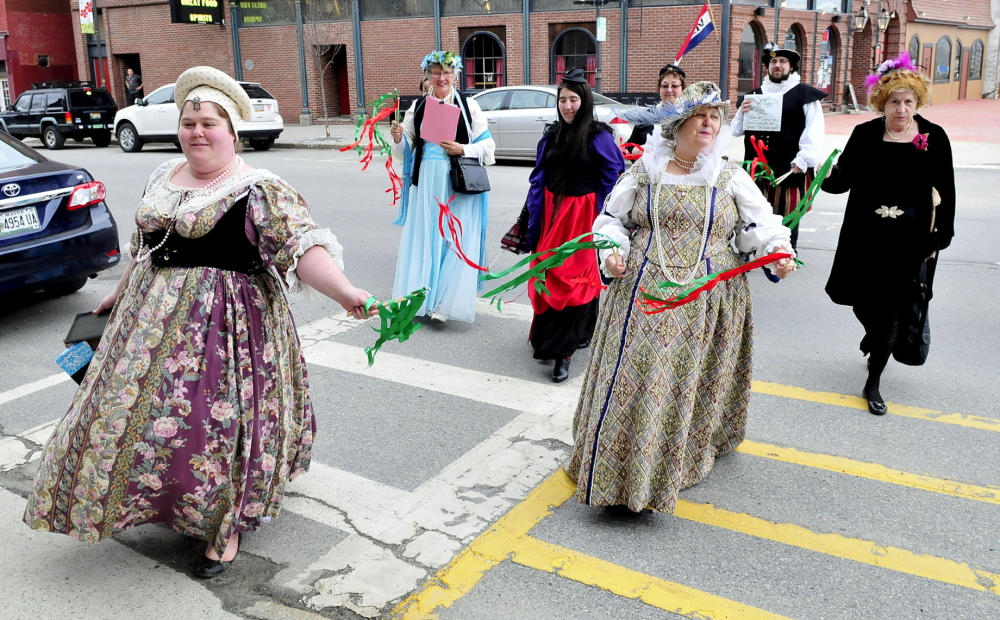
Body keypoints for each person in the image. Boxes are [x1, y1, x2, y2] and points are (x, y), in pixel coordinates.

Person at [23, 66, 375, 579]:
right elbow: (146, 248)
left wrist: (345, 293)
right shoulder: (160, 176)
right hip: (146, 321)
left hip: (229, 326)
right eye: (189, 122)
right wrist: (117, 295)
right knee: (132, 413)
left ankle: (222, 526)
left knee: (217, 424)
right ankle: (153, 496)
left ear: (232, 131)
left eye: (209, 123)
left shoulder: (259, 188)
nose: (197, 132)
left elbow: (302, 247)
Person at [566, 82, 796, 513]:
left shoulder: (729, 176)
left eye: (716, 117)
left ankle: (668, 465)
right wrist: (612, 251)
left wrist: (778, 253)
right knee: (636, 378)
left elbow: (761, 226)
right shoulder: (645, 171)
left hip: (707, 296)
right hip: (642, 291)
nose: (710, 123)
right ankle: (616, 469)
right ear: (679, 123)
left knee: (682, 382)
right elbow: (611, 220)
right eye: (701, 115)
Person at [822, 53, 955, 416]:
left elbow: (947, 189)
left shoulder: (933, 137)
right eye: (894, 101)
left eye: (908, 101)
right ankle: (873, 333)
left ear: (918, 102)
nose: (901, 109)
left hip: (910, 240)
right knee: (857, 299)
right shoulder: (864, 134)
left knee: (892, 310)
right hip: (864, 236)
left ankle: (873, 380)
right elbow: (841, 182)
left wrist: (942, 235)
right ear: (882, 101)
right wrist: (822, 176)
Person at [524, 67, 625, 383]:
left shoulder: (599, 136)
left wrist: (607, 223)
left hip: (583, 220)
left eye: (573, 100)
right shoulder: (551, 133)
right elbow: (539, 177)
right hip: (553, 218)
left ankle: (563, 354)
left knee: (576, 281)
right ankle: (560, 336)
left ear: (584, 101)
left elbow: (614, 180)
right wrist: (530, 215)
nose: (568, 106)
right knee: (548, 274)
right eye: (563, 100)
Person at [389, 51, 496, 323]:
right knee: (428, 238)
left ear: (455, 76)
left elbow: (489, 147)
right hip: (427, 183)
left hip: (457, 183)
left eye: (447, 72)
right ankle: (422, 298)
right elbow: (405, 151)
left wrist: (463, 148)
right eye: (436, 72)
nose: (442, 77)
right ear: (428, 78)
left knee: (453, 238)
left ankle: (445, 304)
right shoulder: (420, 107)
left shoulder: (469, 107)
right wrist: (399, 137)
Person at [730, 44, 826, 250]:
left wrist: (804, 159)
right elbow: (736, 131)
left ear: (791, 67)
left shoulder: (804, 95)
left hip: (790, 165)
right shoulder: (755, 95)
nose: (777, 65)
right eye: (773, 62)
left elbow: (814, 131)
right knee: (751, 210)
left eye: (783, 62)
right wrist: (741, 112)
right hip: (756, 166)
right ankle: (750, 249)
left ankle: (786, 252)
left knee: (787, 211)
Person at [624, 64, 686, 156]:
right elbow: (629, 146)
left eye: (674, 86)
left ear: (683, 89)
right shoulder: (647, 116)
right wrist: (637, 151)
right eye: (665, 86)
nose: (669, 90)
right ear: (659, 88)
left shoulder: (689, 116)